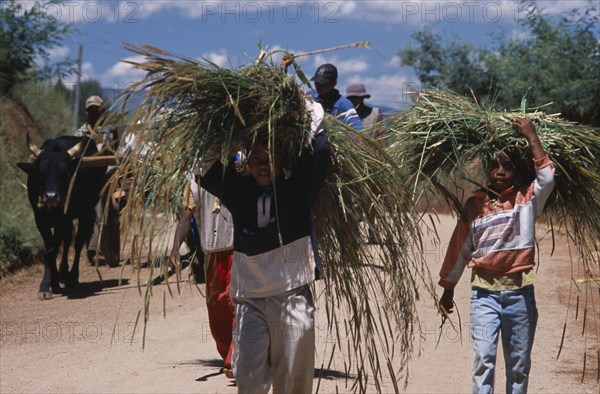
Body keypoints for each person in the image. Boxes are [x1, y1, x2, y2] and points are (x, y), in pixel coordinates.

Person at [200, 99, 330, 393]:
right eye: (256, 158)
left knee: (294, 370)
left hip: (292, 293)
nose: (262, 164)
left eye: (270, 157)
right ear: (246, 161)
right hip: (250, 297)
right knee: (246, 372)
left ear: (284, 161)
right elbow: (204, 164)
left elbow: (320, 149)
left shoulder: (299, 187)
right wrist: (223, 131)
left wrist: (310, 112)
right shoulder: (237, 188)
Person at [438, 117, 555, 393]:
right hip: (483, 296)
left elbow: (548, 176)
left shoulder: (527, 200)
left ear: (518, 171)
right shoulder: (475, 205)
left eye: (507, 166)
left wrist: (531, 135)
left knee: (518, 367)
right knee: (483, 363)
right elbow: (459, 248)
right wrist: (448, 288)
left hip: (520, 295)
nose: (500, 171)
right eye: (494, 165)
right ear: (486, 170)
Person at [169, 174, 236, 379]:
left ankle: (237, 359)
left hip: (239, 251)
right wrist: (174, 248)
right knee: (217, 309)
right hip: (212, 254)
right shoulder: (195, 179)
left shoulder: (240, 166)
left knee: (236, 303)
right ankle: (230, 354)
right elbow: (186, 218)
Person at [75, 95, 120, 267]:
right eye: (92, 110)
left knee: (101, 212)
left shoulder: (110, 130)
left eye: (98, 110)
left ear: (103, 112)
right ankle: (91, 247)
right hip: (87, 179)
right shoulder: (80, 133)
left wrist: (115, 134)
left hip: (107, 177)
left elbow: (117, 154)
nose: (95, 113)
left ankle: (93, 249)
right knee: (88, 213)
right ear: (87, 113)